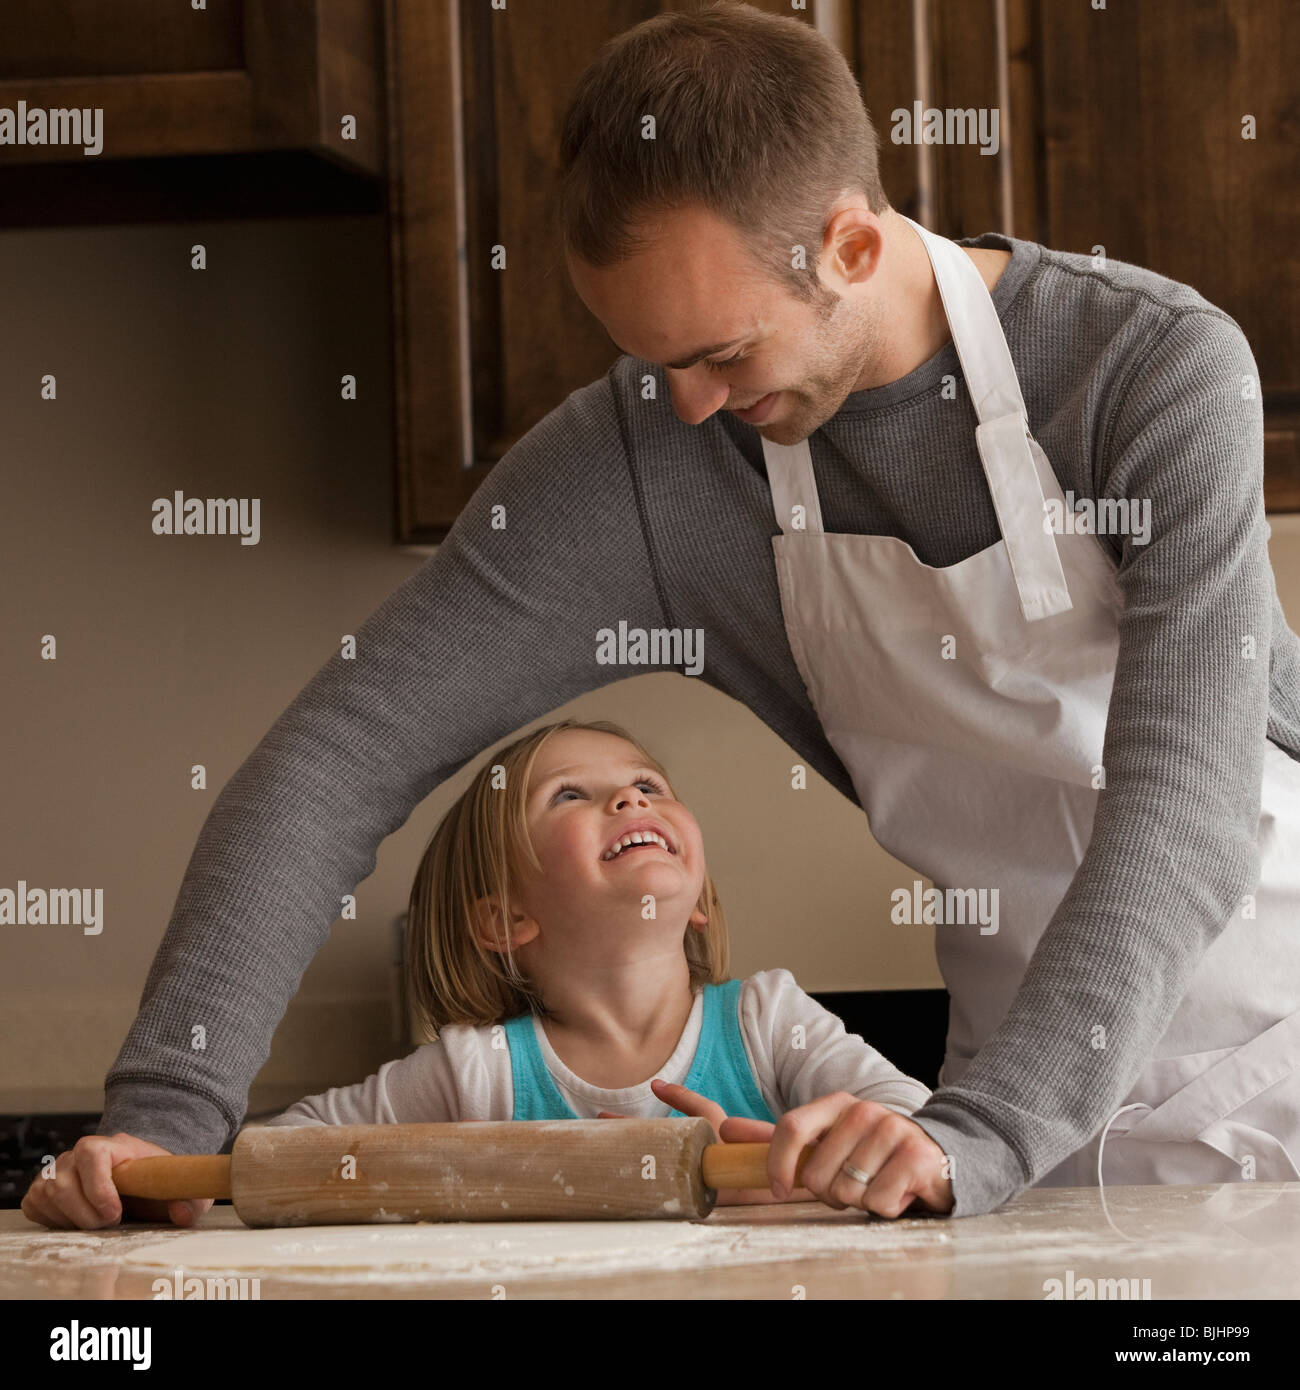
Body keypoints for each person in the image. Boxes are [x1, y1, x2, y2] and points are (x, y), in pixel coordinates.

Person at [28, 1, 1300, 1227]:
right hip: (991, 1097)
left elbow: (1180, 798)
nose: (687, 407)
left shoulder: (1148, 367)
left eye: (722, 354)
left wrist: (988, 1129)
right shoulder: (646, 457)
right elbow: (330, 763)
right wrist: (166, 1120)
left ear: (852, 246)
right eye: (654, 362)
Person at [261, 719, 939, 1213]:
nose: (631, 798)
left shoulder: (768, 1019)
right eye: (568, 795)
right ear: (505, 920)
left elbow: (922, 1132)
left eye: (647, 783)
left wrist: (770, 1174)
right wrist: (489, 1174)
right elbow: (283, 1152)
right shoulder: (479, 1072)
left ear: (698, 897)